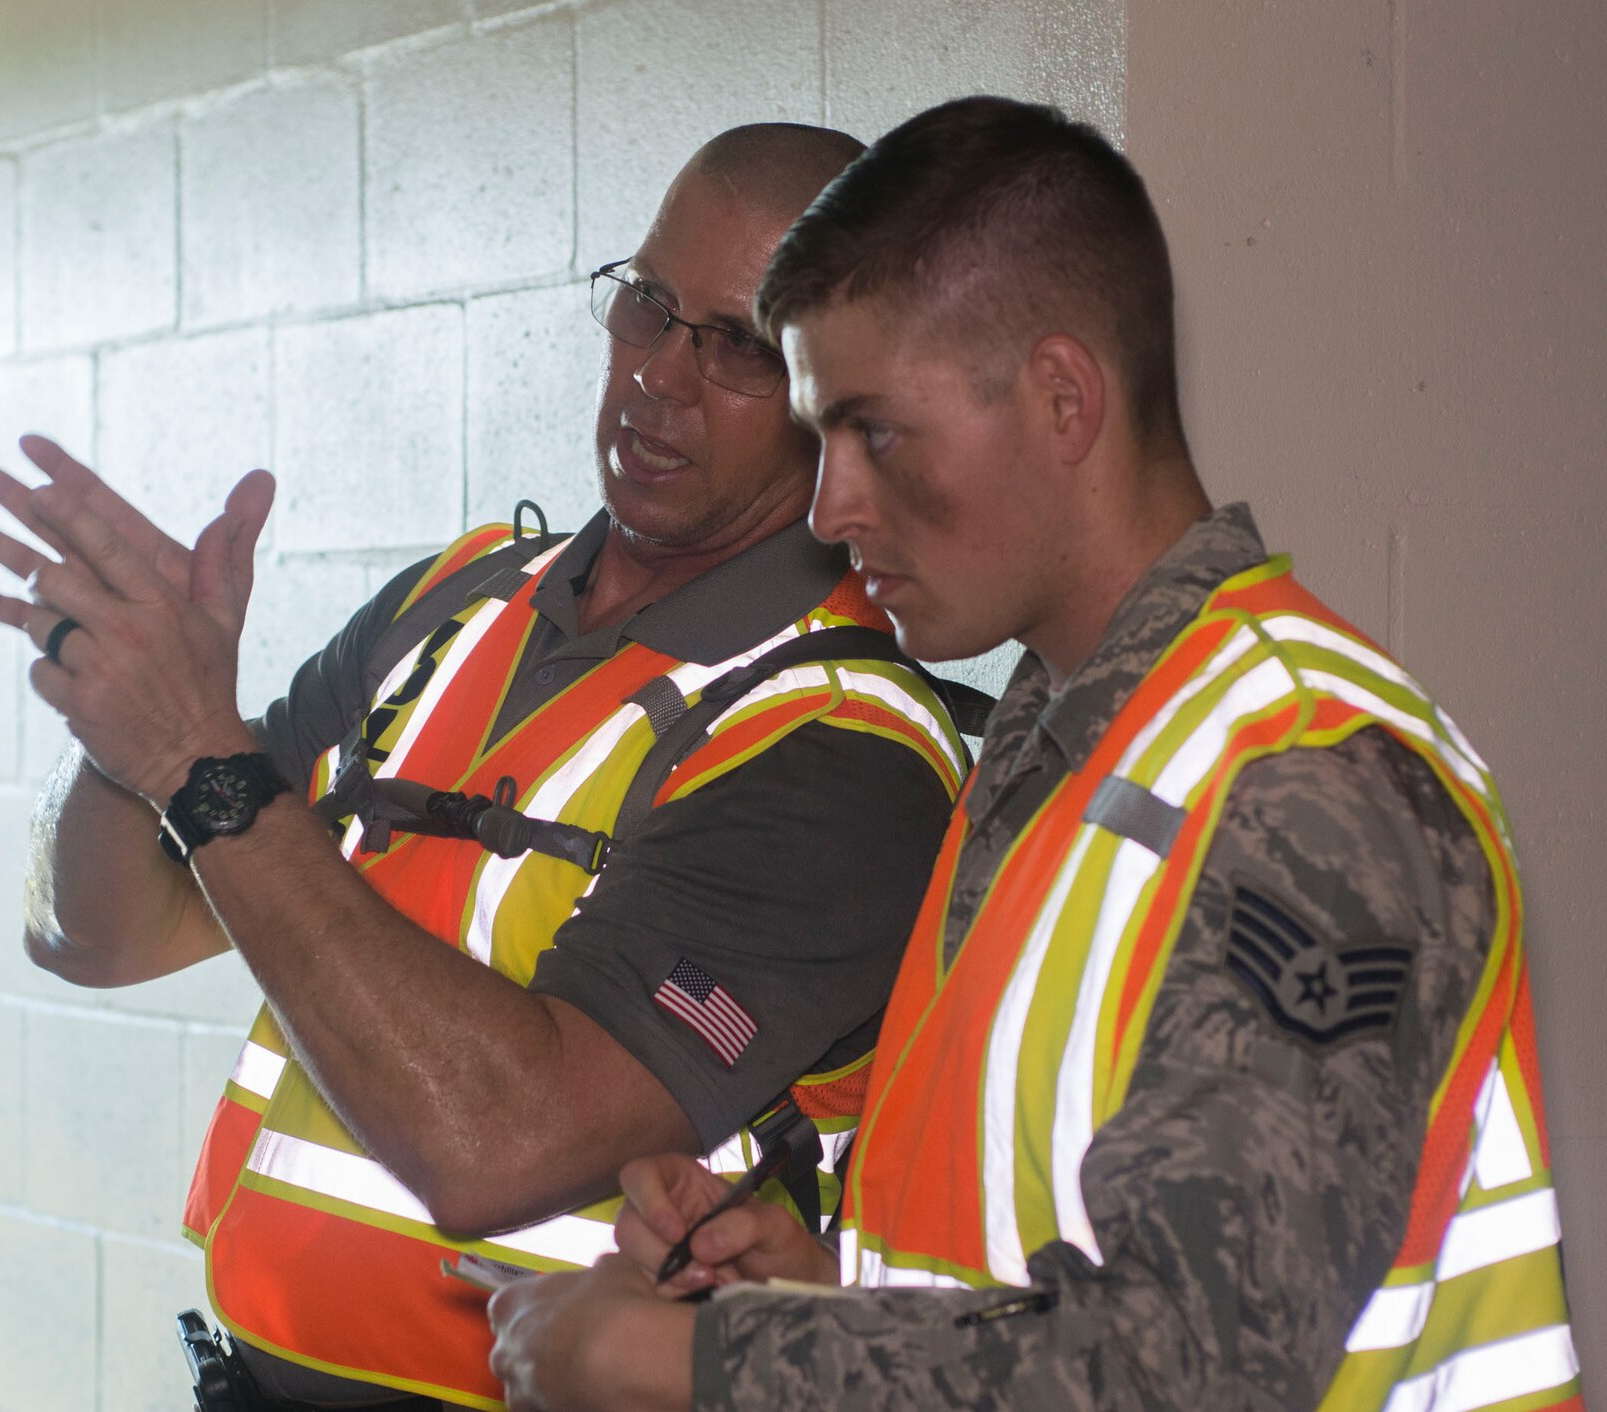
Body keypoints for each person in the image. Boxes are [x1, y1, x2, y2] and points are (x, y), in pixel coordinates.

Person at [486, 96, 1581, 1412]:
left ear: (1065, 399)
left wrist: (697, 1362)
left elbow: (1199, 1371)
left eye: (875, 431)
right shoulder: (1057, 734)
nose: (833, 508)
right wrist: (832, 1297)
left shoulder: (1310, 777)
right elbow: (1057, 1271)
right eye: (821, 435)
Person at [0, 124, 978, 1410]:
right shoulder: (455, 603)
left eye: (735, 345)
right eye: (646, 306)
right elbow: (100, 935)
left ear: (840, 391)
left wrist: (193, 749)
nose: (659, 376)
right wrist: (127, 729)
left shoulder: (840, 746)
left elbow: (500, 1145)